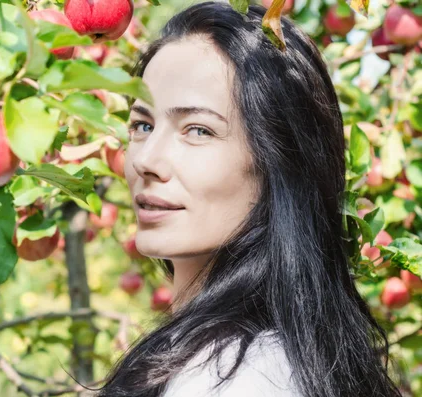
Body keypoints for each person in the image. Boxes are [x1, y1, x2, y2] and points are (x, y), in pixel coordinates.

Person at [89, 2, 404, 397]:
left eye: (198, 130)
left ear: (277, 161)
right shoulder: (284, 356)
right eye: (142, 125)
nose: (147, 159)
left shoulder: (232, 377)